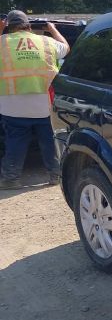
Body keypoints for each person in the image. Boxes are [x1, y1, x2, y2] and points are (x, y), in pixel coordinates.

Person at [0, 10, 70, 189]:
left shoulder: (3, 43)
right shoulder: (47, 42)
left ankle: (11, 179)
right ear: (29, 25)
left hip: (12, 106)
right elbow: (66, 48)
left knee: (15, 142)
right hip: (44, 104)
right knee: (49, 140)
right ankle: (56, 175)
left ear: (8, 26)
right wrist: (52, 29)